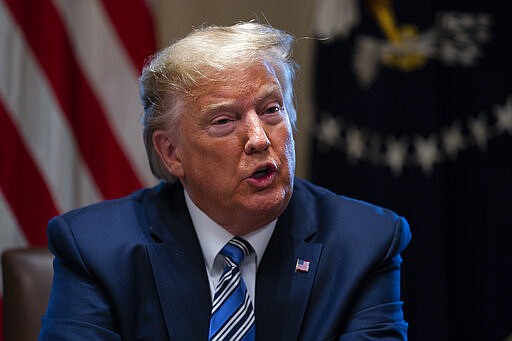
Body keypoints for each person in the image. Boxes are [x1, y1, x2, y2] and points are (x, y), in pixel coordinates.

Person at [39, 21, 411, 340]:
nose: (260, 138)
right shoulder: (96, 250)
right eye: (223, 121)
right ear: (172, 153)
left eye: (271, 110)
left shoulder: (363, 243)